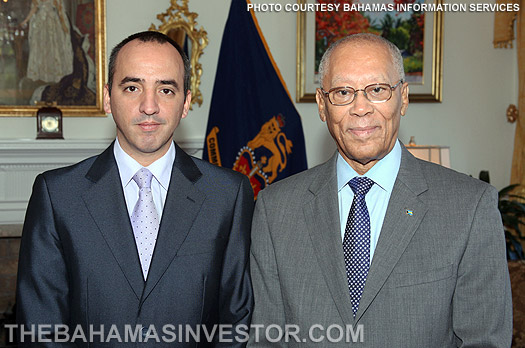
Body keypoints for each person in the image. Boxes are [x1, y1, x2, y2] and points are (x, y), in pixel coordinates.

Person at [248, 33, 512, 347]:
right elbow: (267, 340)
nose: (361, 108)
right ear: (322, 105)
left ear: (404, 98)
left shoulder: (469, 207)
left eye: (377, 90)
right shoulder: (275, 209)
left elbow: (484, 341)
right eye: (343, 92)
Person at [16, 31, 253, 347]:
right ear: (106, 98)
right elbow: (40, 329)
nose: (149, 106)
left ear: (185, 102)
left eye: (166, 89)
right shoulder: (57, 195)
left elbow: (237, 321)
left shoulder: (228, 195)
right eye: (132, 87)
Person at [21, 0, 74, 83]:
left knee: (54, 47)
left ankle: (55, 73)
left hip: (52, 21)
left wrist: (63, 24)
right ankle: (42, 73)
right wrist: (26, 20)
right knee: (42, 48)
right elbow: (34, 8)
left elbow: (59, 10)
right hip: (41, 22)